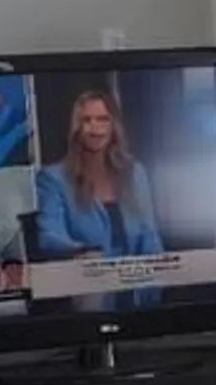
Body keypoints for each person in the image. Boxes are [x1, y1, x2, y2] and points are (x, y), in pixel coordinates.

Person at [32, 86, 162, 259]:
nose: (95, 128)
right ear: (76, 128)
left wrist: (158, 276)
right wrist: (81, 252)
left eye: (103, 120)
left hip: (137, 281)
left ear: (113, 126)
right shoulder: (53, 179)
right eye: (87, 120)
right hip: (87, 279)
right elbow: (50, 236)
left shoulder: (135, 173)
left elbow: (150, 237)